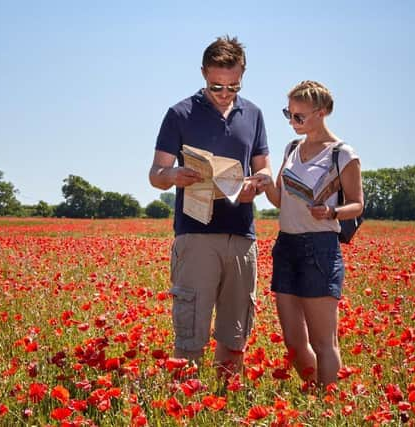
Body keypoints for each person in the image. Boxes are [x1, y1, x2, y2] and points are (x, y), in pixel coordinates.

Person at [148, 35, 271, 374]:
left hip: (241, 235)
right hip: (196, 234)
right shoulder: (180, 113)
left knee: (235, 334)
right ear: (203, 73)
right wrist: (174, 175)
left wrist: (256, 184)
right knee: (190, 336)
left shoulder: (254, 114)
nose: (224, 94)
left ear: (242, 74)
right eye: (217, 86)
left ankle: (223, 400)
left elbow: (264, 170)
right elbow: (155, 174)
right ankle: (184, 404)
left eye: (232, 87)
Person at [250, 80, 363, 387]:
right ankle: (314, 396)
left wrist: (332, 212)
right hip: (286, 245)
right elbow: (279, 200)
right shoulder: (292, 149)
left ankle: (326, 405)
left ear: (322, 112)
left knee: (324, 342)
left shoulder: (342, 154)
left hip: (319, 247)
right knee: (294, 342)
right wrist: (264, 185)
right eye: (289, 114)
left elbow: (357, 204)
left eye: (299, 116)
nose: (292, 122)